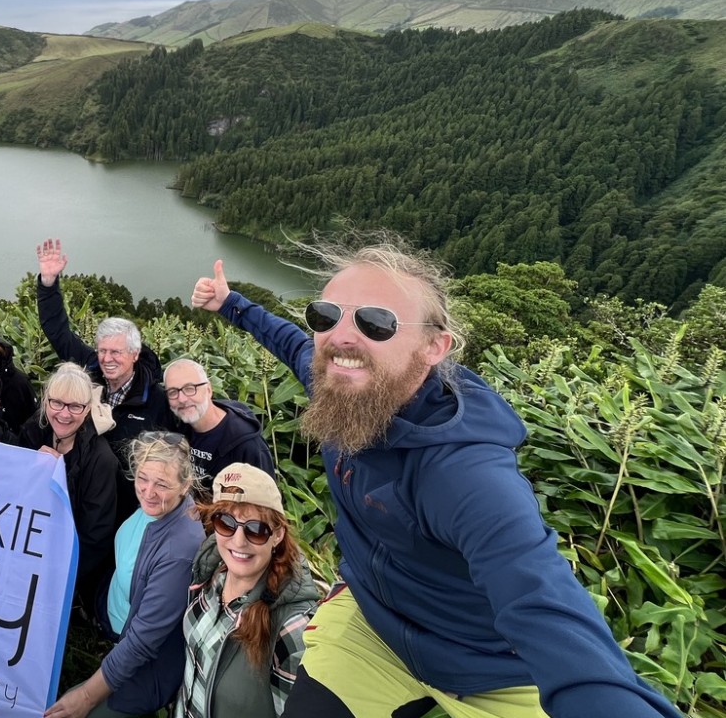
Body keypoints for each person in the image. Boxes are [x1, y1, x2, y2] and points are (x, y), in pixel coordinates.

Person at [191, 244, 680, 717]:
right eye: (325, 315)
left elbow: (541, 600)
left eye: (376, 323)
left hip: (488, 669)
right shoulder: (339, 383)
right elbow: (289, 341)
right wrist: (230, 303)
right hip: (373, 622)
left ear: (434, 347)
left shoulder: (463, 472)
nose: (340, 337)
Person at [46, 432, 205, 718]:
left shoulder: (178, 552)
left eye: (162, 484)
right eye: (142, 478)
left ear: (186, 485)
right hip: (113, 613)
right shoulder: (160, 506)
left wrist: (85, 696)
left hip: (147, 663)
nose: (148, 491)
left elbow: (142, 642)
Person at [35, 238, 175, 518]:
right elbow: (58, 331)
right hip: (79, 498)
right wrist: (48, 283)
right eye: (102, 351)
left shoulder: (157, 400)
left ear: (135, 354)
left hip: (126, 511)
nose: (107, 359)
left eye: (116, 352)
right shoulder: (90, 371)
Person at [174, 463, 318, 718]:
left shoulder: (291, 631)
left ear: (277, 535)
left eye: (256, 530)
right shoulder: (211, 570)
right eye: (226, 523)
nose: (238, 541)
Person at [18, 362, 119, 613]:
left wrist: (57, 579)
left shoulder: (101, 460)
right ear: (45, 401)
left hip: (68, 564)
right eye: (57, 403)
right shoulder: (32, 432)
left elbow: (95, 536)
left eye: (75, 406)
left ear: (87, 410)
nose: (64, 414)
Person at [164, 358, 274, 484]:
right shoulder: (179, 429)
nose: (182, 399)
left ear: (209, 389)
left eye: (190, 388)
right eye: (173, 392)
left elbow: (266, 498)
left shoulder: (247, 445)